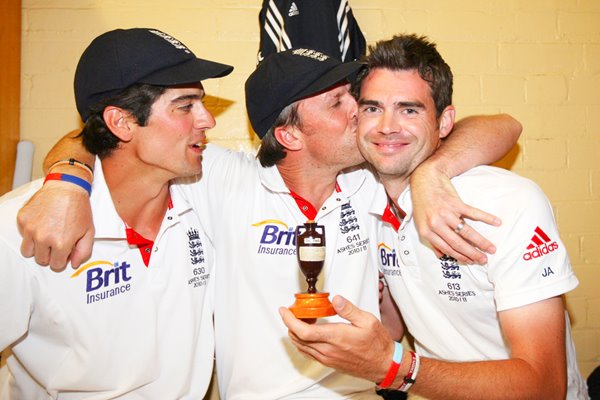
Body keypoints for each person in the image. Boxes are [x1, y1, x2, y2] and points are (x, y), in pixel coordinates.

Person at [16, 47, 521, 398]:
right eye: (339, 103)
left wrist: (433, 172)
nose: (362, 114)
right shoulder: (217, 179)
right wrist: (68, 179)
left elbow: (502, 126)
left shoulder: (375, 175)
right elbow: (105, 130)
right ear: (290, 135)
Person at [280, 34, 589, 399]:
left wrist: (393, 366)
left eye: (409, 110)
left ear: (444, 124)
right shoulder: (364, 195)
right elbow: (398, 324)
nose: (386, 126)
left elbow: (543, 386)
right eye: (372, 108)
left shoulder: (506, 203)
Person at [0, 28, 233, 398]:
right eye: (186, 105)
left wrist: (67, 173)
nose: (208, 121)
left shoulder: (206, 195)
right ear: (122, 122)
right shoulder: (21, 228)